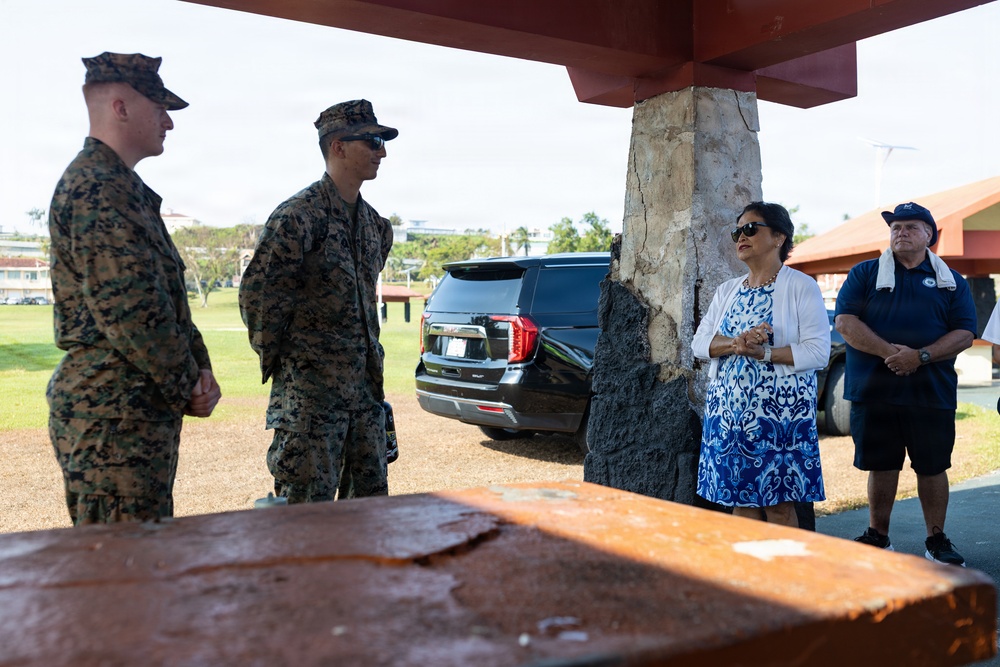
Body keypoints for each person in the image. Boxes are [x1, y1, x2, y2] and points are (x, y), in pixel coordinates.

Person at [47, 52, 221, 525]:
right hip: (111, 417)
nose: (169, 121)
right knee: (120, 571)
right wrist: (189, 380)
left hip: (131, 410)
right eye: (160, 107)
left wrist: (200, 369)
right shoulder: (96, 186)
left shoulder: (125, 189)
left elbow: (167, 303)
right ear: (120, 107)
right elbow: (130, 310)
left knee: (141, 566)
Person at [239, 100, 396, 503]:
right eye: (374, 141)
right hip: (311, 405)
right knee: (303, 520)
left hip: (365, 400)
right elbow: (259, 299)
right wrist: (299, 367)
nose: (383, 151)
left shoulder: (376, 227)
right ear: (339, 147)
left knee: (370, 518)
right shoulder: (297, 218)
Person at [835, 202, 976, 566]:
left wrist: (921, 356)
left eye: (911, 227)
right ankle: (878, 536)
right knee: (881, 465)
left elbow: (964, 333)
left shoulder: (952, 281)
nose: (901, 232)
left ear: (929, 235)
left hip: (930, 392)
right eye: (896, 227)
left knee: (932, 467)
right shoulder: (865, 273)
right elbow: (846, 323)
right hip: (875, 391)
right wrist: (891, 354)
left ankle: (937, 540)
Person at [692, 202, 829, 527]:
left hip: (780, 421)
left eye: (751, 229)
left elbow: (818, 352)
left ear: (779, 236)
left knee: (780, 507)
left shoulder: (800, 285)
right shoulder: (728, 290)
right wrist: (736, 343)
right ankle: (749, 576)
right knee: (740, 506)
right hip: (729, 418)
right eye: (737, 231)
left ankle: (785, 576)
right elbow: (699, 344)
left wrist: (765, 353)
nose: (741, 236)